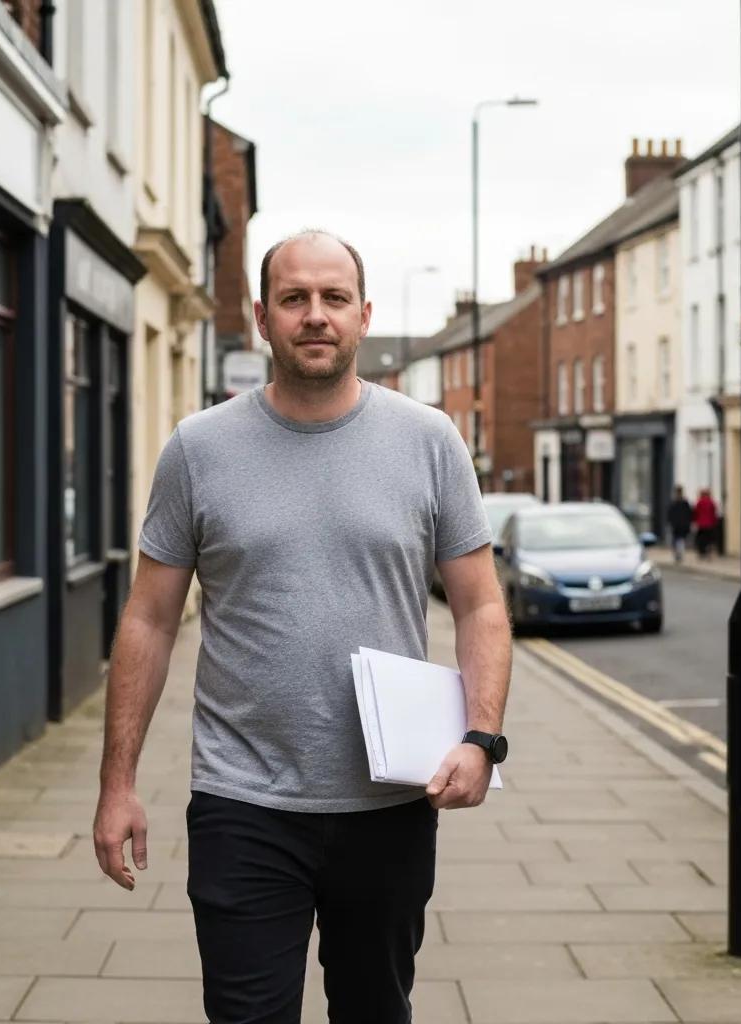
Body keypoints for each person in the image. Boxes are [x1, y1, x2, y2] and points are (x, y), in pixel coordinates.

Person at [92, 230, 512, 1024]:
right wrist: (117, 786)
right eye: (294, 299)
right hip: (241, 802)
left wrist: (482, 738)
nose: (315, 316)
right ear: (261, 316)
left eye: (333, 298)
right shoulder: (198, 449)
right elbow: (148, 620)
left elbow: (481, 604)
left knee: (374, 1011)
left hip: (390, 801)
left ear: (363, 315)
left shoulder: (429, 442)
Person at [666, 485, 693, 563]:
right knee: (679, 540)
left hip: (679, 525)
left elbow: (689, 514)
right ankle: (678, 554)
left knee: (679, 540)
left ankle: (679, 555)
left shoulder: (679, 503)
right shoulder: (681, 503)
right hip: (679, 525)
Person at [693, 487, 719, 559]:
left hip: (701, 524)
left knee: (701, 539)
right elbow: (714, 513)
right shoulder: (711, 502)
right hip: (709, 524)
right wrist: (715, 522)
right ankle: (708, 552)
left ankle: (702, 553)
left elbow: (695, 512)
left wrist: (695, 521)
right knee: (708, 539)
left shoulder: (699, 502)